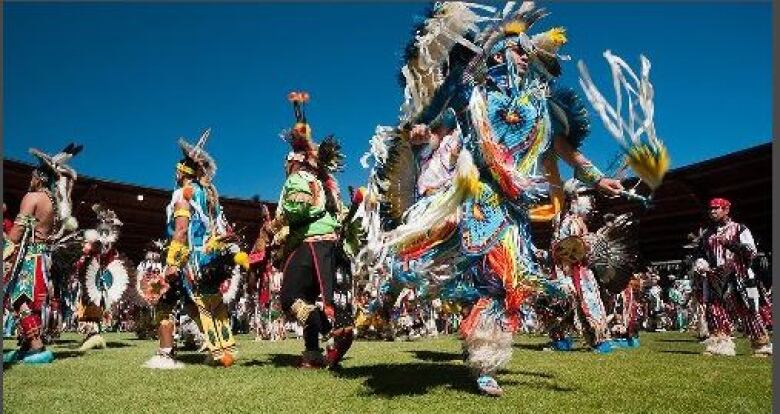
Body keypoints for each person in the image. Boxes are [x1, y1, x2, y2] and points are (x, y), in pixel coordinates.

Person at [144, 129, 249, 369]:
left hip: (188, 260)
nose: (174, 174)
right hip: (206, 258)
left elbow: (181, 230)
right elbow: (220, 228)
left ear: (182, 173)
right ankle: (220, 350)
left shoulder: (184, 194)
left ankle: (165, 354)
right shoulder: (208, 194)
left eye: (176, 171)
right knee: (196, 304)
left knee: (165, 301)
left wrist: (171, 263)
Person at [275, 92, 355, 369]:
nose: (285, 168)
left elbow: (299, 209)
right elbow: (341, 216)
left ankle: (330, 327)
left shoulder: (301, 178)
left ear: (295, 161)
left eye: (287, 163)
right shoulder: (326, 185)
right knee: (308, 300)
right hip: (330, 245)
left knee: (289, 299)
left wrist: (281, 221)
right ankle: (313, 353)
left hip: (310, 243)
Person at [3, 144, 82, 364]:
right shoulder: (54, 204)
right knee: (34, 302)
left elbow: (18, 229)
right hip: (44, 258)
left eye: (33, 175)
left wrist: (5, 251)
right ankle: (26, 347)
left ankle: (37, 347)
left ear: (40, 177)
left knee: (20, 300)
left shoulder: (33, 197)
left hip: (29, 257)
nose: (30, 178)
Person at [693, 197, 772, 357]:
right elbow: (700, 254)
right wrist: (701, 263)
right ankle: (721, 345)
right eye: (711, 209)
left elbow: (752, 252)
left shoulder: (739, 229)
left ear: (726, 210)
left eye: (717, 208)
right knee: (715, 310)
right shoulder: (707, 234)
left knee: (749, 309)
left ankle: (761, 344)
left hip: (740, 277)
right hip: (715, 278)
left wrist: (730, 244)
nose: (713, 211)